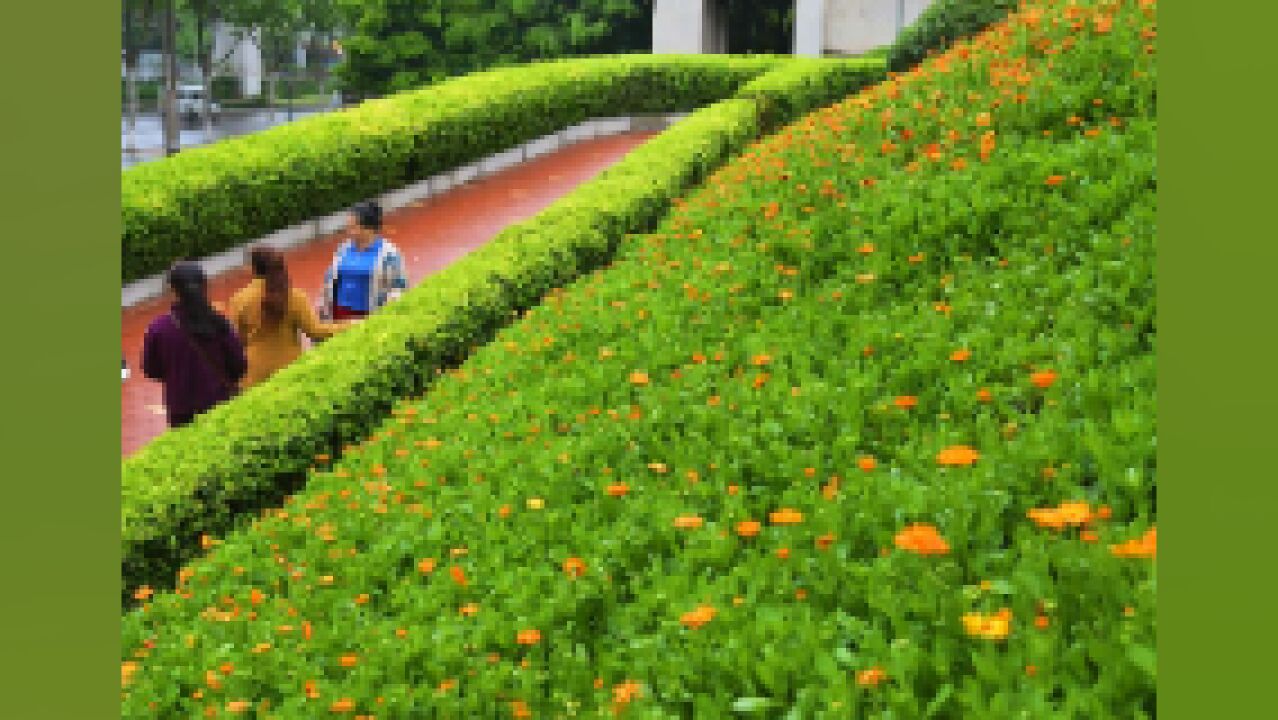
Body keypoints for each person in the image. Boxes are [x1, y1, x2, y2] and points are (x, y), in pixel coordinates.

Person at [142, 262, 247, 428]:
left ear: (173, 291)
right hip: (221, 404)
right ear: (205, 286)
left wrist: (176, 374)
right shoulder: (218, 321)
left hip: (181, 411)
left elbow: (150, 369)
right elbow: (239, 365)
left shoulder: (158, 328)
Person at [229, 246, 349, 389]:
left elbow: (238, 339)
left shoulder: (238, 300)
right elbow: (316, 331)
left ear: (251, 269)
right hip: (291, 368)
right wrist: (349, 325)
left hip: (256, 374)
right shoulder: (294, 296)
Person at [319, 200, 409, 321]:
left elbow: (399, 288)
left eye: (353, 227)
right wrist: (323, 306)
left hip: (368, 319)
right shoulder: (343, 249)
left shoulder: (389, 254)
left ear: (369, 228)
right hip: (338, 319)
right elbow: (330, 277)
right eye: (348, 226)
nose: (347, 230)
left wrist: (385, 314)